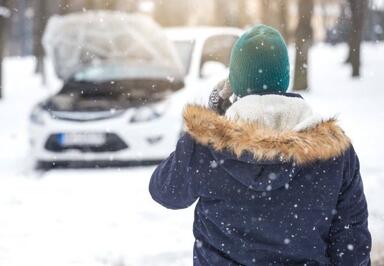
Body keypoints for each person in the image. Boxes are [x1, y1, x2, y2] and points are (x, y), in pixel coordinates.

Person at [149, 25, 371, 265]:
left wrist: (210, 120)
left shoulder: (207, 146)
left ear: (233, 84)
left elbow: (165, 192)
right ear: (284, 77)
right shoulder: (334, 150)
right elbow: (352, 245)